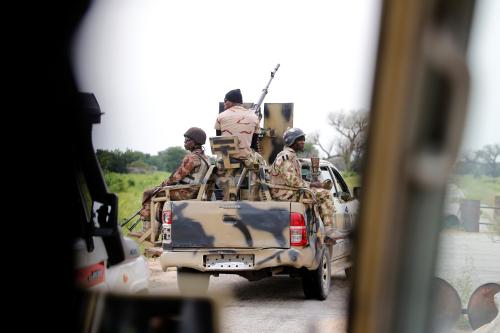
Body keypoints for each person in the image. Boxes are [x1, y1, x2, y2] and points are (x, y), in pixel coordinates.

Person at [139, 127, 210, 231]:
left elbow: (175, 178)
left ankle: (146, 230)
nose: (185, 142)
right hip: (194, 191)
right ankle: (156, 231)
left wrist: (161, 185)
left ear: (195, 142)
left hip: (186, 192)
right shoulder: (206, 158)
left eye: (187, 139)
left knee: (148, 193)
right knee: (160, 197)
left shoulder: (192, 158)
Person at [269, 127, 337, 236]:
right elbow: (292, 180)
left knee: (319, 192)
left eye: (303, 139)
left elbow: (293, 180)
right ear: (292, 141)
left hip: (288, 192)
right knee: (324, 194)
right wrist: (311, 184)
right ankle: (329, 231)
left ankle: (326, 232)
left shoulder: (291, 156)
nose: (303, 142)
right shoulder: (286, 156)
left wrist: (311, 185)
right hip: (285, 194)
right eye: (300, 139)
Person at [214, 89, 260, 161]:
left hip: (225, 161)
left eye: (225, 100)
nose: (224, 103)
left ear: (230, 102)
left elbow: (219, 141)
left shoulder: (221, 116)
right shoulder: (254, 117)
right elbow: (254, 145)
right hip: (246, 161)